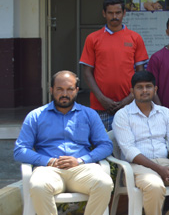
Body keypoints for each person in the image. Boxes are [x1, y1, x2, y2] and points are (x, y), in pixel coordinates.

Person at [14, 71, 113, 215]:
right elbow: (20, 150)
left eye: (69, 89)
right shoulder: (36, 116)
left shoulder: (89, 114)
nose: (64, 94)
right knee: (38, 186)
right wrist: (49, 161)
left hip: (82, 168)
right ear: (51, 90)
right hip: (48, 170)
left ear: (76, 90)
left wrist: (80, 160)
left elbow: (106, 145)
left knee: (104, 184)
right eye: (59, 89)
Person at [112, 70, 169, 215]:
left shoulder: (165, 113)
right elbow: (130, 151)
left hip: (165, 163)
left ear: (155, 89)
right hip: (137, 167)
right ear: (132, 91)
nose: (144, 90)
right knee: (155, 186)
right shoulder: (122, 115)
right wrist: (158, 169)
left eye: (148, 86)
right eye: (140, 87)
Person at [79, 0, 148, 130]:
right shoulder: (92, 38)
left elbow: (141, 73)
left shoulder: (135, 38)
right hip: (100, 106)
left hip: (130, 105)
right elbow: (87, 72)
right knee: (102, 141)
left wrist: (129, 98)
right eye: (110, 13)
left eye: (118, 12)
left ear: (124, 13)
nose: (114, 16)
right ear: (104, 13)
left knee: (129, 142)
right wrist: (102, 99)